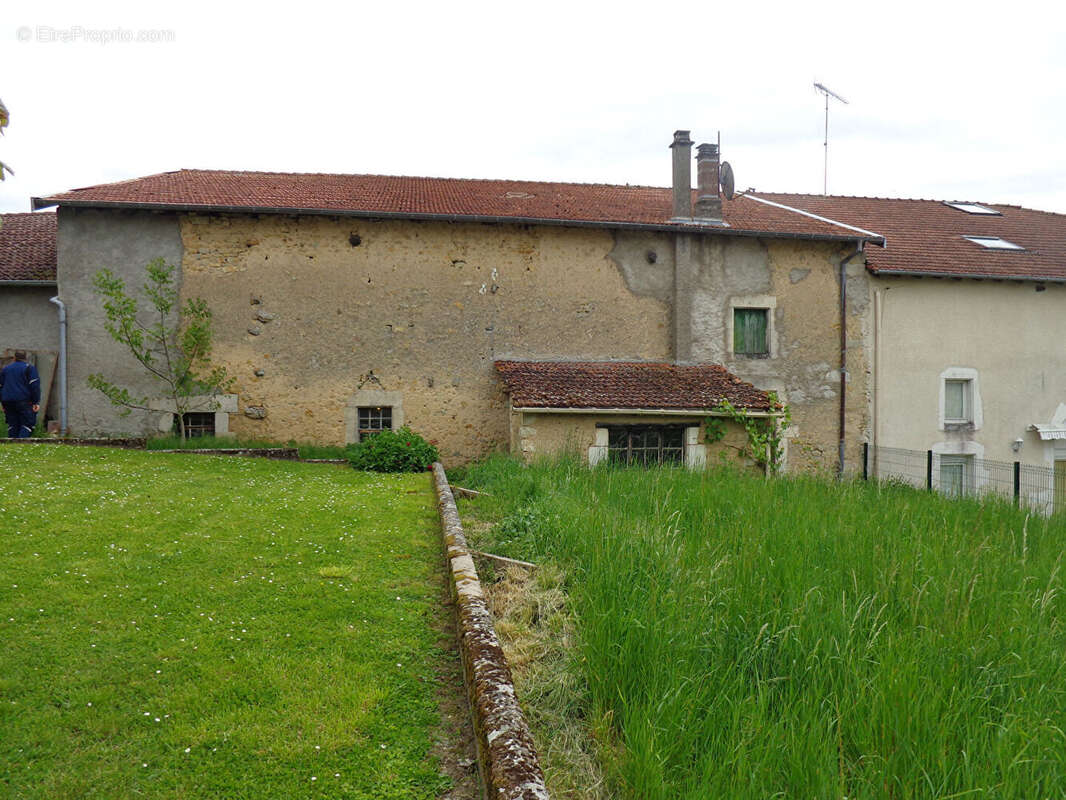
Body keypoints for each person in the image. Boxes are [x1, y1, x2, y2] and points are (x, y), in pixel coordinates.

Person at [0, 350, 41, 438]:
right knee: (27, 424)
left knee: (13, 424)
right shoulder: (29, 368)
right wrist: (36, 402)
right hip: (24, 401)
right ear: (25, 358)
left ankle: (11, 445)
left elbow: (1, 386)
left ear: (14, 358)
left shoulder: (5, 369)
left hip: (7, 401)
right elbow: (34, 386)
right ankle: (21, 443)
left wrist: (2, 403)